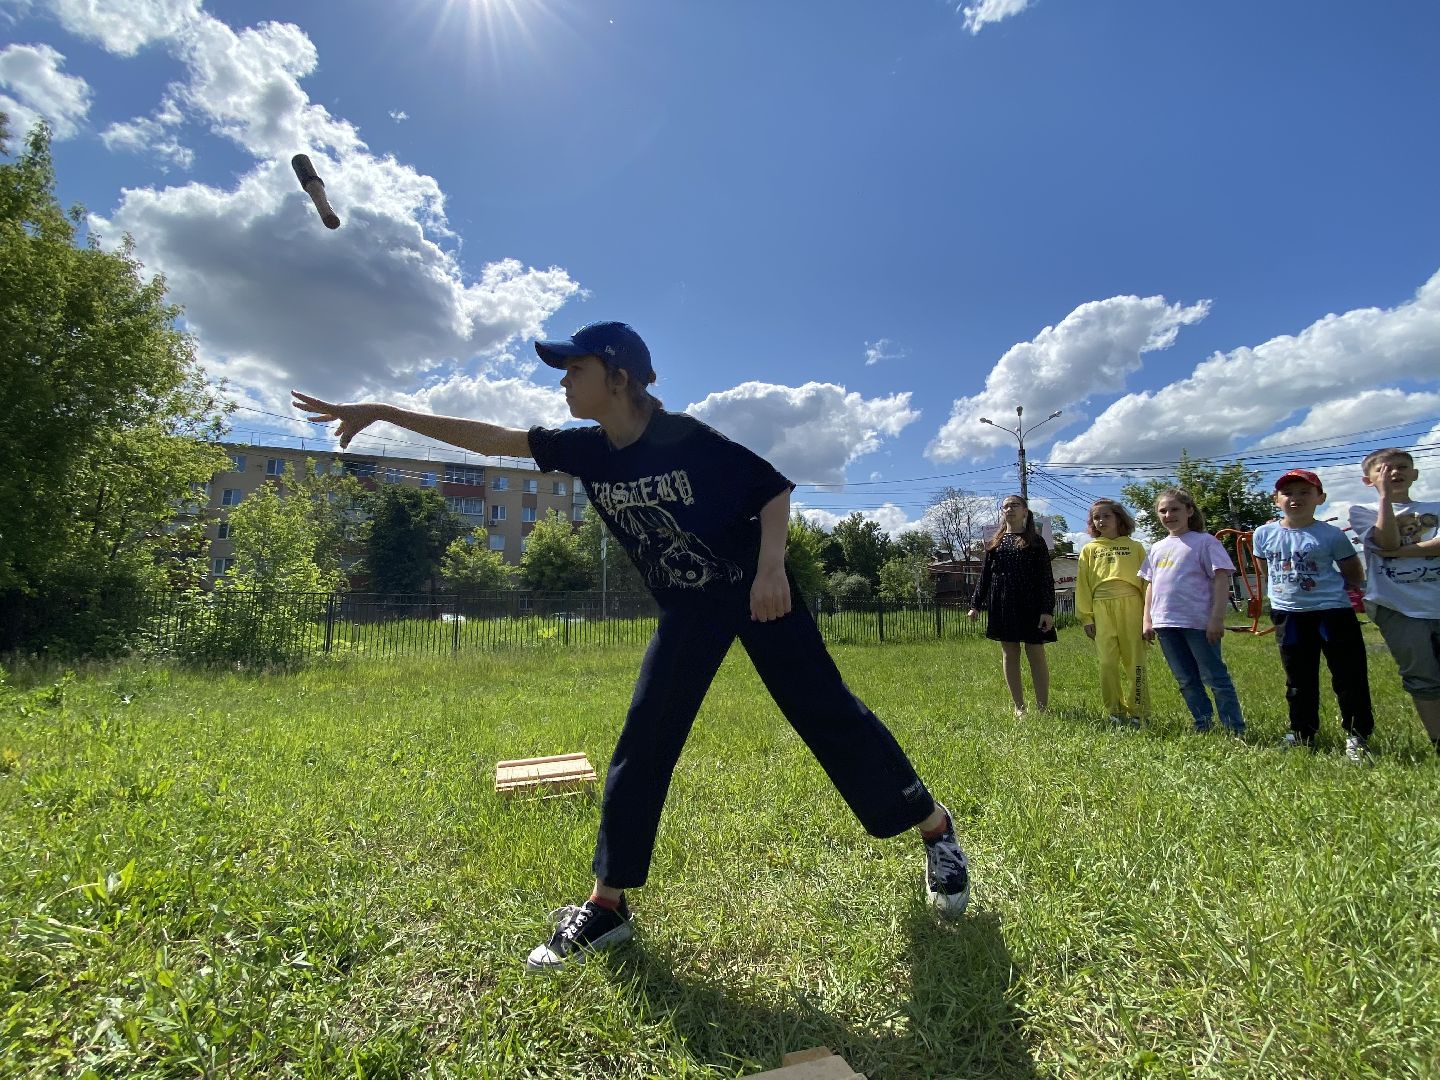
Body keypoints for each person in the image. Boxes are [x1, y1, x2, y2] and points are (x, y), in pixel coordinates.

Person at [292, 321, 971, 973]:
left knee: (827, 713)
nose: (564, 382)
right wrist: (384, 411)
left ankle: (935, 829)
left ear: (617, 378)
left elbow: (771, 490)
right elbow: (493, 438)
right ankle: (607, 905)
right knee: (645, 738)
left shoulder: (684, 438)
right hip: (689, 610)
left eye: (575, 369)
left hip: (756, 593)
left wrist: (772, 570)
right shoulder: (586, 449)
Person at [1252, 469, 1373, 760]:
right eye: (1288, 493)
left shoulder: (1331, 535)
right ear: (1276, 499)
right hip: (1289, 615)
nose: (1295, 498)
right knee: (1298, 679)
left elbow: (1353, 573)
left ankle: (1357, 736)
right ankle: (1301, 733)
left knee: (1348, 677)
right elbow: (1265, 568)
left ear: (1320, 498)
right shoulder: (1263, 534)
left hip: (1332, 613)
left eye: (1305, 492)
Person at [1347, 448, 1440, 756]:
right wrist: (1385, 497)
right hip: (1398, 606)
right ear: (1368, 480)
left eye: (1401, 467)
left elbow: (1392, 548)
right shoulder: (1363, 511)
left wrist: (1398, 552)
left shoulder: (1435, 507)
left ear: (1415, 474)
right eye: (1384, 470)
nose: (1394, 473)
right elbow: (1385, 540)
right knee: (1422, 676)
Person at [1138, 488, 1245, 736]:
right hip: (1166, 624)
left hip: (1198, 623)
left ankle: (1234, 728)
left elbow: (1220, 580)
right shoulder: (1156, 548)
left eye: (1174, 509)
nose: (1168, 515)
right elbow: (1151, 585)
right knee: (1185, 680)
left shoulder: (1205, 542)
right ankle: (1202, 723)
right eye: (1163, 511)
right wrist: (1147, 620)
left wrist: (1216, 619)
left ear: (1189, 511)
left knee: (1215, 678)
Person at [967, 495, 1056, 717]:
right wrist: (975, 605)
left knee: (1036, 653)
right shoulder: (994, 544)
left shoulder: (1037, 541)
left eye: (1014, 505)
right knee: (1010, 653)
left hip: (1032, 605)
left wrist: (1047, 610)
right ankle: (1019, 707)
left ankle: (1043, 708)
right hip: (1003, 604)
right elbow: (985, 577)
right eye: (1005, 506)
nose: (1009, 509)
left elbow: (1046, 578)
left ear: (1025, 511)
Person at [1076, 498, 1150, 726]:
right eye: (1096, 517)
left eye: (1106, 516)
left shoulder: (1135, 547)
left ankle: (1139, 712)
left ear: (1119, 518)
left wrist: (1148, 616)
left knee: (1135, 662)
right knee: (1107, 663)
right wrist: (1086, 617)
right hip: (1101, 608)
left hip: (1132, 606)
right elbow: (1083, 585)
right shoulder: (1089, 550)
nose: (1101, 521)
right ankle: (1114, 711)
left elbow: (1147, 583)